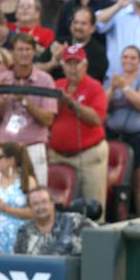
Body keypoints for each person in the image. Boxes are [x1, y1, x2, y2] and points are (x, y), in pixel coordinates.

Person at [0, 33, 57, 186]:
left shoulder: (45, 80)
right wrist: (1, 102)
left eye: (27, 49)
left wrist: (24, 100)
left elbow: (48, 119)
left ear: (33, 52)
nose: (24, 54)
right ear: (12, 53)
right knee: (2, 194)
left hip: (32, 148)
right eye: (20, 50)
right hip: (5, 148)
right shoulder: (2, 79)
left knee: (35, 194)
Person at [48, 45, 109, 219]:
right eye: (69, 63)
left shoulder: (94, 87)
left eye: (77, 63)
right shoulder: (58, 85)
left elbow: (96, 118)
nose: (73, 68)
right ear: (63, 66)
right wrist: (56, 104)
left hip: (88, 155)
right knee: (57, 206)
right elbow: (47, 118)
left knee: (92, 206)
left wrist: (71, 103)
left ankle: (95, 242)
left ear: (85, 65)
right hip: (58, 155)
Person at [105, 45, 140, 215]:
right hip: (115, 136)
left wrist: (126, 88)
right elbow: (100, 108)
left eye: (133, 57)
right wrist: (113, 88)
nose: (128, 60)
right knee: (114, 182)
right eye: (125, 57)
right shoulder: (111, 80)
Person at [39, 6, 109, 85]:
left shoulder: (99, 52)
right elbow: (35, 69)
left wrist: (64, 59)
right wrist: (53, 63)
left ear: (92, 28)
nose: (78, 27)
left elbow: (93, 83)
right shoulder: (58, 43)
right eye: (75, 22)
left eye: (83, 24)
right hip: (54, 92)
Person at [0, 142, 36, 253]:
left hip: (16, 235)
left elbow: (34, 212)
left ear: (11, 160)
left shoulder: (27, 181)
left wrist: (7, 209)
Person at [14, 185, 87, 255]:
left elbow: (97, 237)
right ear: (30, 208)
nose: (41, 207)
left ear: (52, 203)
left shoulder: (73, 220)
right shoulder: (23, 231)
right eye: (35, 204)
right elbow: (18, 264)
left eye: (44, 202)